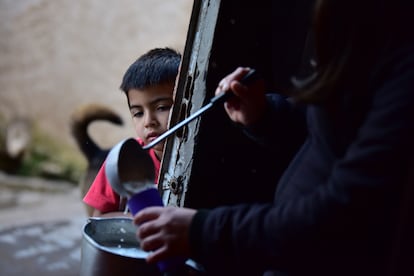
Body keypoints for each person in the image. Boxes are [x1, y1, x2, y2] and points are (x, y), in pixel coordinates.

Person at [133, 0, 414, 275]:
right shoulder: (373, 33)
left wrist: (202, 230)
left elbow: (345, 213)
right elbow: (332, 129)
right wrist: (265, 113)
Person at [83, 47, 181, 217]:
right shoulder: (125, 161)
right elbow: (97, 219)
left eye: (162, 107)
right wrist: (134, 220)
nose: (148, 121)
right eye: (138, 113)